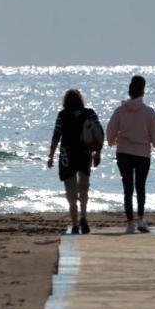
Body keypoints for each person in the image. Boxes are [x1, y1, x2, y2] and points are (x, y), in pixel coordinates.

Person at [107, 75, 155, 234]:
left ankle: (129, 223)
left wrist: (112, 141)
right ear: (143, 91)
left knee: (127, 188)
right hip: (142, 154)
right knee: (140, 187)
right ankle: (140, 220)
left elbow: (110, 131)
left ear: (130, 91)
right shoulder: (148, 113)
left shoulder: (120, 111)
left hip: (124, 153)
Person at [47, 89, 101, 234]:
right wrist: (97, 153)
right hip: (84, 154)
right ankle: (83, 216)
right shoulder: (89, 113)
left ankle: (75, 224)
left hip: (67, 155)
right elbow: (99, 134)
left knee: (70, 191)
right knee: (84, 187)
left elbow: (56, 136)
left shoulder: (62, 115)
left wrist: (51, 156)